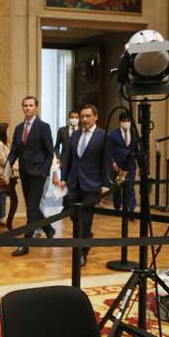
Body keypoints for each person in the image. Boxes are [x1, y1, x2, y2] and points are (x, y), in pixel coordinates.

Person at [59, 104, 110, 267]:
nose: (84, 119)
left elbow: (106, 161)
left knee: (86, 218)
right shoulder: (74, 135)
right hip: (74, 182)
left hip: (92, 184)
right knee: (72, 213)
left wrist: (105, 184)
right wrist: (63, 178)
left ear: (96, 117)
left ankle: (82, 252)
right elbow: (68, 158)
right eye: (82, 116)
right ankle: (86, 236)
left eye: (88, 116)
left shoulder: (103, 136)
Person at [7, 96, 55, 257]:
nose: (28, 108)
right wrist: (7, 169)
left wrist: (44, 170)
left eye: (31, 105)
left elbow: (50, 152)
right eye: (25, 105)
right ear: (23, 108)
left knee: (31, 208)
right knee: (32, 206)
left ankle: (25, 244)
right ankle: (49, 228)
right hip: (24, 173)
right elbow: (14, 150)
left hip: (38, 174)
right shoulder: (19, 128)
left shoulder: (43, 127)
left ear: (36, 108)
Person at [110, 111, 137, 213]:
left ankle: (131, 209)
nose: (126, 122)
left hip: (130, 165)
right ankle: (117, 207)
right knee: (118, 187)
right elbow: (110, 151)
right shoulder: (113, 134)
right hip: (118, 166)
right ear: (120, 122)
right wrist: (113, 163)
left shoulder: (134, 133)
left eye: (128, 120)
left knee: (130, 187)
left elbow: (136, 149)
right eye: (124, 120)